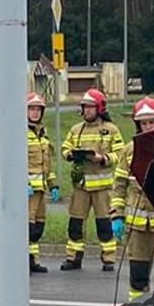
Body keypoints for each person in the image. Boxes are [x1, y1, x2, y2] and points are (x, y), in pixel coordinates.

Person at [114, 98, 154, 299]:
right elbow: (119, 185)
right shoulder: (128, 151)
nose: (148, 127)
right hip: (138, 227)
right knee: (138, 276)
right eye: (143, 123)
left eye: (151, 122)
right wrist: (116, 216)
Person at [60, 89, 123, 271]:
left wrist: (102, 159)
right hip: (81, 187)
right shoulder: (76, 130)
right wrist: (71, 155)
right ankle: (73, 257)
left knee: (104, 224)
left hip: (103, 188)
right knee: (75, 223)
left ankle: (109, 259)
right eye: (85, 107)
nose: (87, 110)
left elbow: (120, 154)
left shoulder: (111, 130)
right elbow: (65, 148)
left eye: (90, 107)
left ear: (99, 108)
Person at [25, 92, 56, 274]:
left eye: (38, 109)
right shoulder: (21, 133)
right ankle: (25, 261)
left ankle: (34, 260)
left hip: (41, 190)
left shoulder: (43, 135)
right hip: (27, 192)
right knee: (27, 227)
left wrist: (53, 185)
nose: (35, 112)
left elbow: (47, 165)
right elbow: (15, 162)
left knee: (38, 226)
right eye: (31, 109)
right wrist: (22, 184)